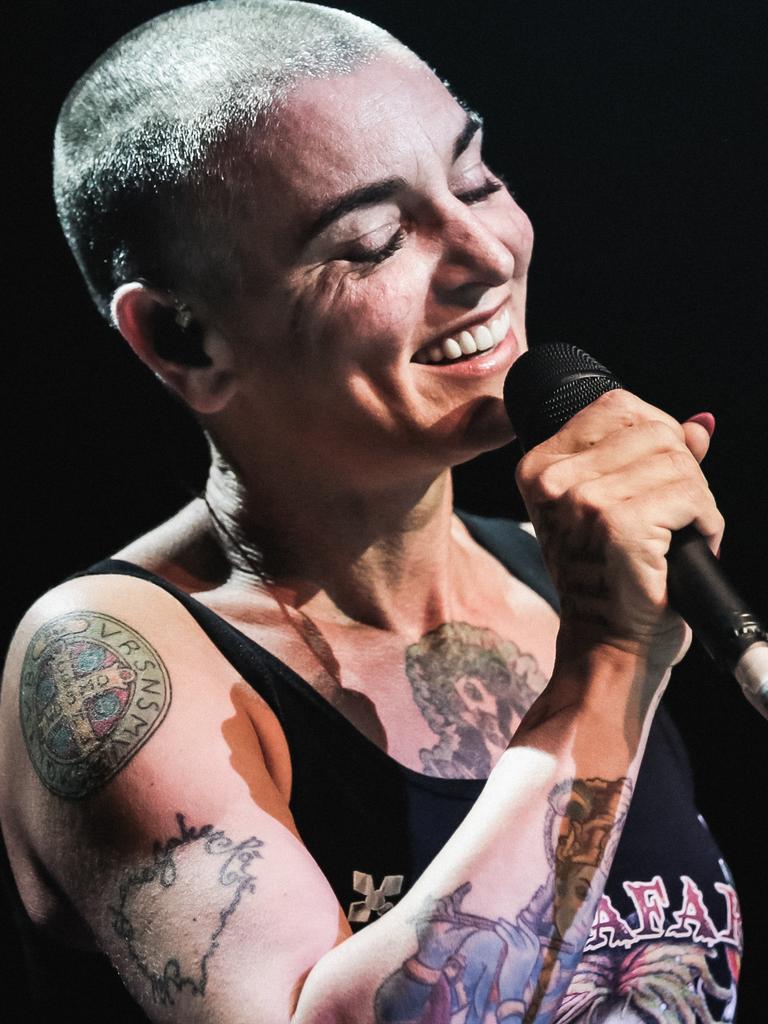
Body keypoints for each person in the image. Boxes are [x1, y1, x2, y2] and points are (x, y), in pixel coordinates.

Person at [0, 2, 740, 1021]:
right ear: (182, 337)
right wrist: (611, 668)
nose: (488, 256)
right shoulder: (107, 663)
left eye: (477, 178)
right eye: (376, 238)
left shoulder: (566, 576)